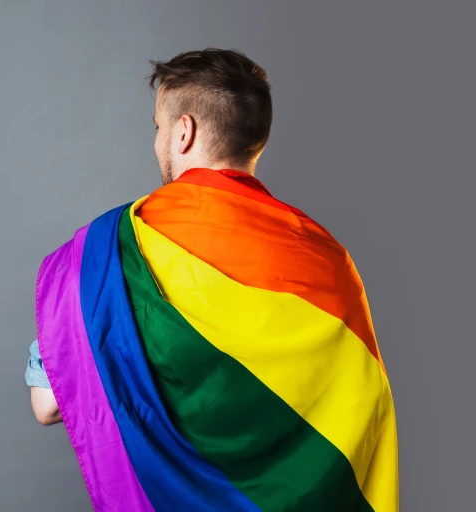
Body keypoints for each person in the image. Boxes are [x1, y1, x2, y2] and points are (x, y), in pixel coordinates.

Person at [25, 48, 398, 511]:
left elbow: (48, 402)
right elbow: (364, 407)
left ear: (184, 131)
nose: (159, 141)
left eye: (158, 129)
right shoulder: (326, 257)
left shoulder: (114, 250)